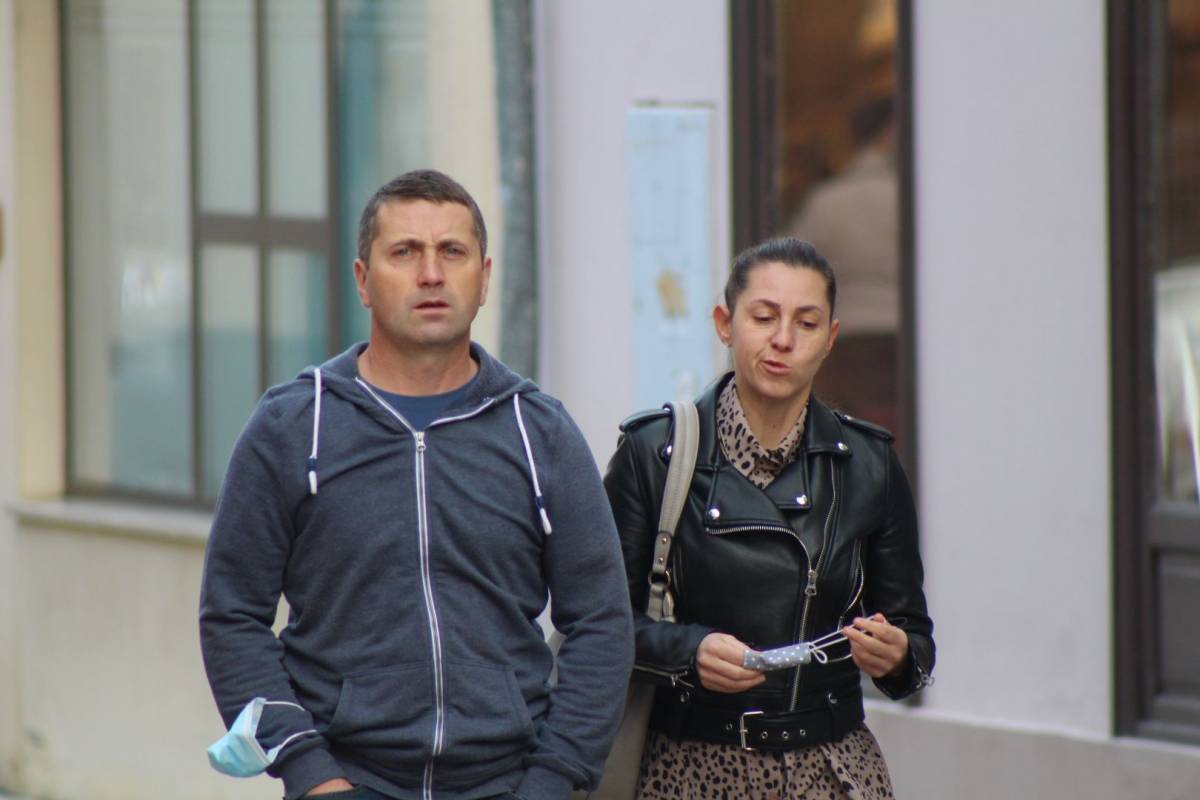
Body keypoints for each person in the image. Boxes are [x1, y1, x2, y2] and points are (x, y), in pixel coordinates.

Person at [199, 170, 634, 800]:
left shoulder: (539, 432)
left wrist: (553, 778)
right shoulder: (293, 426)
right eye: (404, 252)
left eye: (452, 252)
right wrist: (309, 771)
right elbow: (232, 615)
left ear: (484, 278)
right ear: (363, 280)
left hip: (509, 782)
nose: (431, 274)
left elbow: (601, 621)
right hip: (346, 779)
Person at [605, 238, 934, 799]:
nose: (783, 339)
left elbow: (916, 641)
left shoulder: (869, 464)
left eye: (806, 323)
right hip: (689, 770)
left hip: (830, 770)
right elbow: (601, 620)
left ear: (830, 338)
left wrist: (897, 653)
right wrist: (689, 652)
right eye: (763, 317)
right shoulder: (654, 454)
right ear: (724, 323)